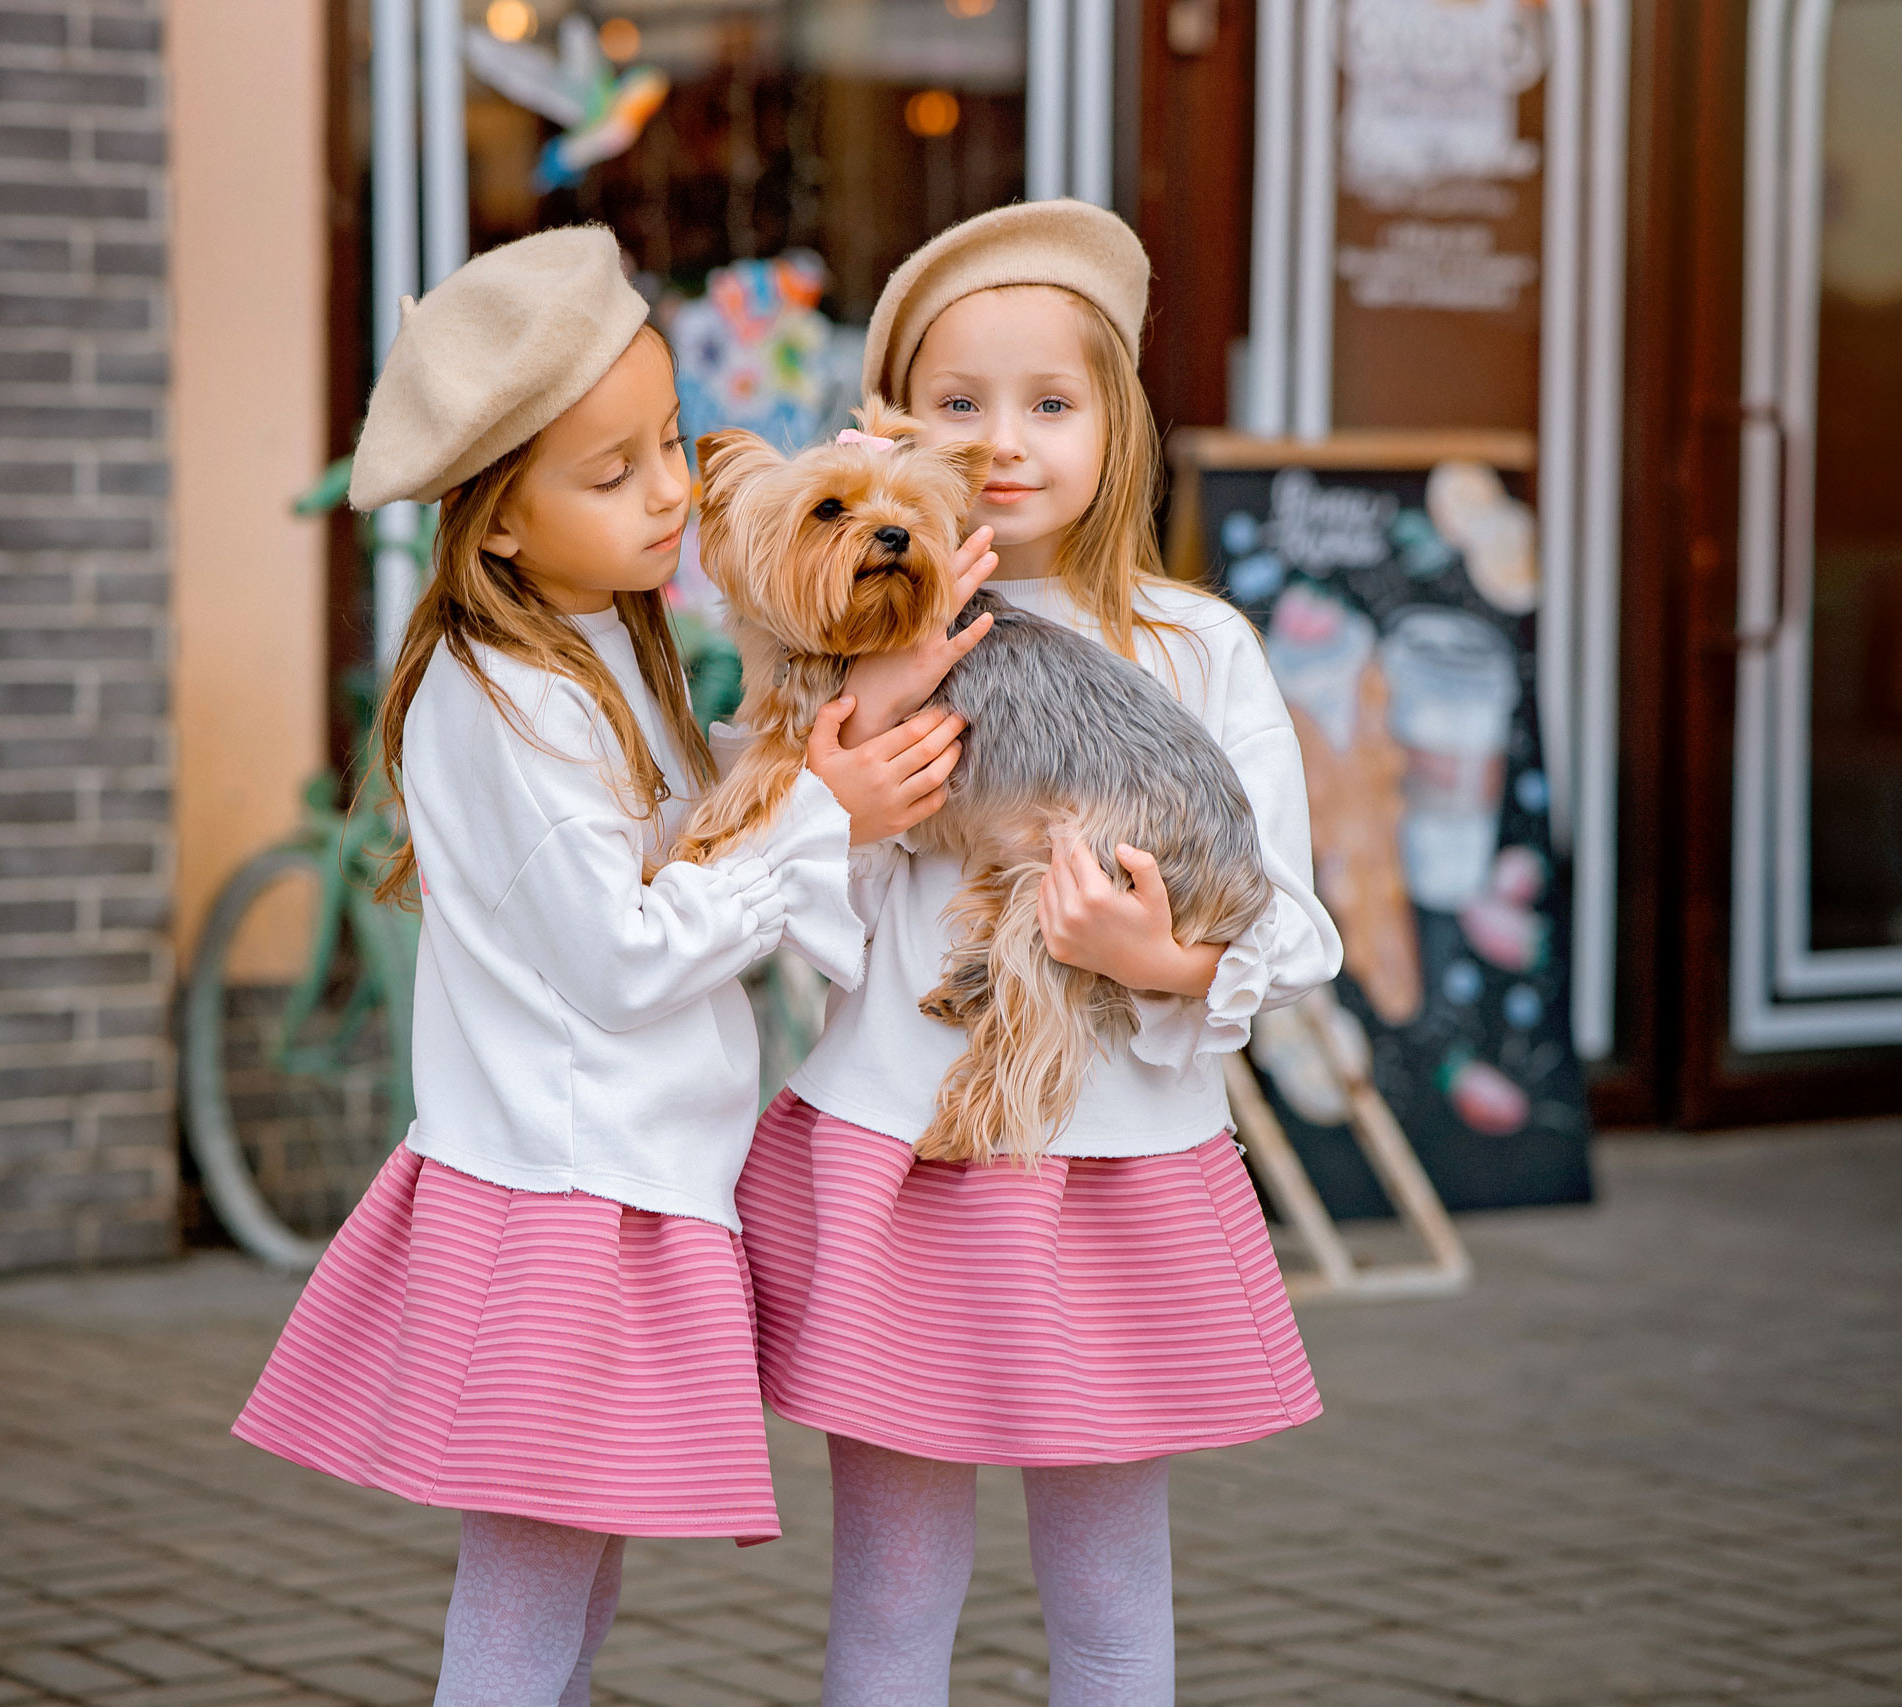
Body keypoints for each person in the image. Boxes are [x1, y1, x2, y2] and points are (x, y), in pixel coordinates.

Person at [229, 225, 971, 1707]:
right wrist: (822, 815)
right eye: (611, 471)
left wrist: (811, 791)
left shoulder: (606, 645)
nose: (669, 495)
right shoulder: (498, 699)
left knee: (575, 1577)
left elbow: (703, 861)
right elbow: (629, 956)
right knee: (529, 1588)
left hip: (625, 1183)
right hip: (563, 1197)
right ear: (498, 519)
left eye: (671, 447)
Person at [732, 200, 1347, 1707]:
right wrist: (856, 751)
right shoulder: (853, 642)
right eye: (959, 406)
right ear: (901, 443)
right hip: (900, 1154)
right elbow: (800, 915)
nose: (1005, 440)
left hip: (1117, 1169)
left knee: (1112, 1587)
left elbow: (1289, 919)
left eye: (1049, 403)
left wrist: (1169, 963)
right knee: (887, 1590)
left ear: (1116, 427)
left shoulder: (1196, 645)